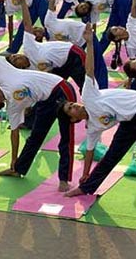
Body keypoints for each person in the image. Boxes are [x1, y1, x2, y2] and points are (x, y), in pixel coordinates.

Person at [0, 9, 77, 192]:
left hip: (60, 88)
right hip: (45, 100)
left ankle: (64, 179)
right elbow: (15, 133)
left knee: (66, 136)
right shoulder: (12, 108)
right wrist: (12, 160)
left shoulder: (0, 74)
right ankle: (17, 169)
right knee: (35, 137)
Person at [64, 23, 136, 197]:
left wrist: (89, 43)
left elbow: (89, 69)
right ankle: (86, 188)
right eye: (71, 109)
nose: (75, 105)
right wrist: (84, 175)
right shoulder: (93, 127)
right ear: (74, 120)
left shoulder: (88, 96)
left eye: (72, 103)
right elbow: (89, 151)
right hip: (129, 123)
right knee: (111, 156)